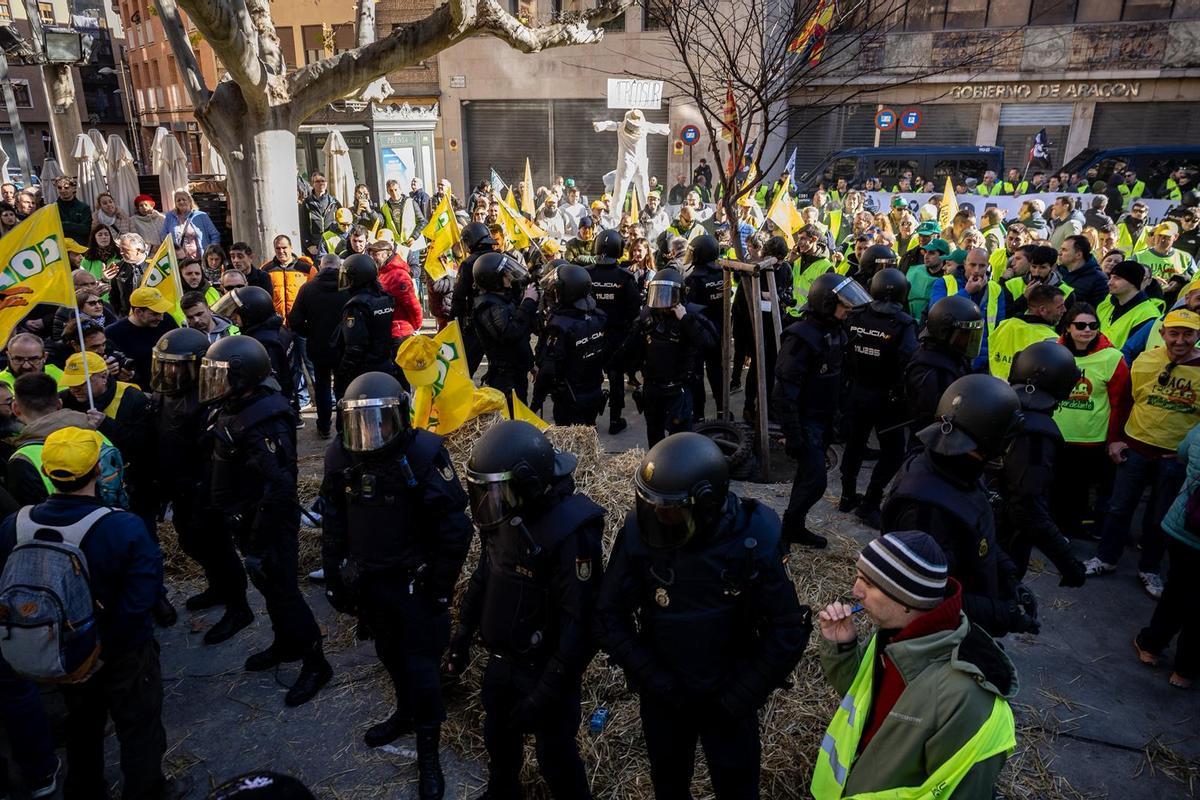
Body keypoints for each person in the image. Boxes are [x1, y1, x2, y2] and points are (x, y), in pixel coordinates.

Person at [597, 432, 810, 799]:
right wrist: (653, 678)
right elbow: (607, 615)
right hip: (665, 694)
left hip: (729, 695)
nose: (657, 519)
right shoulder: (640, 530)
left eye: (668, 510)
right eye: (649, 505)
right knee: (668, 783)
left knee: (738, 788)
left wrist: (740, 696)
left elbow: (788, 630)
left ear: (706, 504)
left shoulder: (754, 536)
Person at [0, 426, 190, 799]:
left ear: (49, 472)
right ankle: (147, 791)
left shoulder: (15, 524)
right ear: (96, 469)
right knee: (139, 725)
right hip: (123, 652)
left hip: (65, 648)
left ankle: (85, 788)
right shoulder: (122, 525)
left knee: (83, 725)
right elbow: (142, 597)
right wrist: (109, 648)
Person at [320, 372, 471, 796]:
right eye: (360, 425)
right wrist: (334, 576)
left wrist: (440, 587)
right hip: (371, 582)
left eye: (379, 424)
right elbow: (333, 520)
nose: (369, 437)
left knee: (424, 670)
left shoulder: (423, 455)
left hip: (415, 584)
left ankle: (429, 754)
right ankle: (403, 713)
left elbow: (455, 529)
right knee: (387, 652)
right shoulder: (341, 456)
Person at [448, 420, 605, 799]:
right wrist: (463, 634)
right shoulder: (503, 510)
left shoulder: (570, 530)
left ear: (530, 484)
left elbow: (578, 624)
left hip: (546, 669)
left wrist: (546, 692)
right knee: (499, 742)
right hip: (502, 660)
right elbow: (486, 576)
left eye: (496, 491)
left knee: (556, 756)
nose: (489, 502)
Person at [813, 532, 1017, 799]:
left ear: (907, 601)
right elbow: (863, 703)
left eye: (869, 584)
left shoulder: (966, 697)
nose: (855, 591)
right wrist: (842, 648)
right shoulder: (894, 636)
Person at [200, 335, 331, 705]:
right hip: (248, 517)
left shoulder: (264, 418)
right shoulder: (237, 404)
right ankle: (285, 642)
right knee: (269, 590)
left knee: (285, 593)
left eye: (221, 375)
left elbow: (279, 487)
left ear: (243, 377)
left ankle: (315, 662)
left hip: (268, 521)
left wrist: (258, 537)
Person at [883, 374, 1036, 638]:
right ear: (990, 438)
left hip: (964, 623)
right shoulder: (927, 509)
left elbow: (976, 530)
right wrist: (1001, 613)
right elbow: (925, 598)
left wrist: (1008, 575)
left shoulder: (955, 468)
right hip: (938, 641)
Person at [1086, 309, 1200, 598]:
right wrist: (1115, 440)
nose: (1180, 340)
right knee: (1119, 507)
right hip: (1135, 447)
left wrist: (1188, 454)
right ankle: (1106, 558)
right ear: (1163, 335)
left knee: (1159, 517)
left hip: (1174, 458)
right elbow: (1124, 402)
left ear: (1197, 336)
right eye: (1174, 333)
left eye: (1188, 334)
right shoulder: (1145, 361)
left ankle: (1149, 569)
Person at [774, 273, 871, 548]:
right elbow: (784, 392)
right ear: (826, 303)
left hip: (824, 418)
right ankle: (786, 531)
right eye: (843, 305)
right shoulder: (801, 338)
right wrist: (792, 434)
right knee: (815, 481)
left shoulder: (836, 331)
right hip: (806, 421)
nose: (848, 310)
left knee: (808, 478)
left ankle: (793, 526)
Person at [999, 341, 1087, 585]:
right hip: (1002, 541)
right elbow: (1027, 506)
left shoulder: (999, 405)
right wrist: (1068, 563)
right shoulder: (1036, 435)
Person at [840, 267, 918, 529]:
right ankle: (870, 502)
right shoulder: (905, 323)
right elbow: (909, 360)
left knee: (855, 445)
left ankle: (847, 496)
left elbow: (844, 350)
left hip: (856, 393)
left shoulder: (856, 314)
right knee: (893, 453)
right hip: (887, 400)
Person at [1051, 303, 1128, 541]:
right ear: (1067, 328)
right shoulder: (1054, 352)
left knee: (1079, 490)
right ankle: (1054, 531)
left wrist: (1115, 439)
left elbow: (1121, 403)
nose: (1087, 330)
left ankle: (1071, 530)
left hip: (1090, 438)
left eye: (1093, 325)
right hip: (1056, 434)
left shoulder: (1112, 357)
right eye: (1081, 325)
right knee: (1054, 486)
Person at [617, 268, 718, 446]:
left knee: (679, 439)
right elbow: (630, 348)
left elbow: (709, 343)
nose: (662, 302)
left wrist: (686, 320)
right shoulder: (646, 317)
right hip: (652, 388)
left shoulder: (689, 315)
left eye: (668, 295)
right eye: (659, 294)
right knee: (654, 434)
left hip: (678, 388)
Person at [1135, 416, 1200, 689]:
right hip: (1188, 530)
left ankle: (1150, 646)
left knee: (1176, 590)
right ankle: (1185, 671)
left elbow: (1183, 453)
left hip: (1186, 527)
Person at [531, 264, 607, 426]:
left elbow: (548, 370)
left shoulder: (560, 326)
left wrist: (535, 402)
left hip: (570, 399)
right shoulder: (598, 317)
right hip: (594, 391)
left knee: (570, 445)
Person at [287, 254, 347, 438]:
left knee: (321, 387)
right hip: (343, 346)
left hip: (318, 345)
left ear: (321, 267)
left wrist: (309, 332)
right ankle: (342, 426)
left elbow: (295, 320)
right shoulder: (348, 288)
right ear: (339, 267)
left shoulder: (308, 288)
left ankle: (323, 426)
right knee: (342, 387)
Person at [588, 229, 640, 433]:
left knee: (590, 377)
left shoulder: (587, 273)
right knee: (616, 377)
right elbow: (635, 307)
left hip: (590, 334)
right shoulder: (625, 277)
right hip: (616, 336)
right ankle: (615, 420)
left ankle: (589, 420)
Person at [472, 252, 539, 409]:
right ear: (494, 280)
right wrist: (528, 302)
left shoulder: (503, 299)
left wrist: (530, 363)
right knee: (512, 416)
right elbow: (510, 335)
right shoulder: (489, 306)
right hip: (504, 378)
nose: (509, 278)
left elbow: (521, 339)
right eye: (505, 276)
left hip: (515, 372)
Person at [214, 286, 295, 410]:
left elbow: (267, 379)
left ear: (250, 314)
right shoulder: (277, 329)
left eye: (237, 312)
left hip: (270, 403)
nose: (233, 316)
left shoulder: (264, 341)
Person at [332, 253, 398, 397]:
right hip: (386, 367)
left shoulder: (356, 306)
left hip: (363, 374)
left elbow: (354, 348)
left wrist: (341, 378)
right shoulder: (385, 299)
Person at [103, 286, 179, 390]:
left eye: (162, 312)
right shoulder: (113, 333)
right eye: (155, 314)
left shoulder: (167, 320)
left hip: (170, 387)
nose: (161, 318)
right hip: (139, 392)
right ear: (138, 312)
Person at [987, 284, 1065, 382]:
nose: (1064, 310)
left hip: (994, 387)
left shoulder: (1004, 325)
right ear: (1043, 310)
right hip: (1026, 394)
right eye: (1060, 307)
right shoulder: (1050, 340)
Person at [451, 222, 500, 375]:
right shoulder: (500, 258)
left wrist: (453, 324)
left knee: (464, 371)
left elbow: (458, 297)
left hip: (477, 323)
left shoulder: (468, 264)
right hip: (501, 320)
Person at [1097, 260, 1162, 349]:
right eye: (1111, 277)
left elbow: (1133, 353)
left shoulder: (1148, 315)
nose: (1109, 282)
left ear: (1133, 282)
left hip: (1118, 362)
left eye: (1117, 278)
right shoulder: (1108, 302)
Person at [368, 239, 423, 339]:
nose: (372, 258)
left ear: (386, 255)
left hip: (400, 333)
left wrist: (415, 327)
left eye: (376, 254)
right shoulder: (382, 273)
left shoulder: (398, 276)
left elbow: (412, 305)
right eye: (372, 254)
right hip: (388, 332)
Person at [161, 191, 221, 259]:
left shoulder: (201, 216)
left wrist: (211, 252)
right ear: (175, 203)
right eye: (178, 200)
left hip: (201, 257)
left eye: (184, 199)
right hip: (179, 258)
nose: (181, 202)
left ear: (189, 201)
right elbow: (164, 236)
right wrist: (172, 251)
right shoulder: (170, 216)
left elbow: (215, 234)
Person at [904, 238, 951, 322]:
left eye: (931, 253)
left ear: (943, 256)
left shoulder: (949, 278)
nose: (926, 256)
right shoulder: (914, 271)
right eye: (925, 252)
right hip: (909, 320)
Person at [108, 232, 151, 318]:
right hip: (125, 317)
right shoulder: (118, 267)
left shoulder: (153, 266)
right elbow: (114, 295)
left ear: (138, 250)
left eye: (125, 250)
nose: (121, 253)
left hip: (149, 317)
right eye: (120, 249)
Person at [300, 172, 341, 257]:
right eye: (318, 181)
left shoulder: (334, 202)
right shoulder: (307, 203)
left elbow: (342, 222)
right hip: (315, 246)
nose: (321, 183)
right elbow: (303, 226)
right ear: (313, 184)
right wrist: (309, 245)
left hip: (331, 244)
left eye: (323, 181)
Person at [52, 176, 92, 243]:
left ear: (73, 188)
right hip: (59, 246)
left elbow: (86, 229)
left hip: (79, 246)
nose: (63, 190)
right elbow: (51, 227)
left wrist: (64, 225)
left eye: (66, 188)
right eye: (59, 188)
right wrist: (75, 226)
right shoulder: (52, 208)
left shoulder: (84, 207)